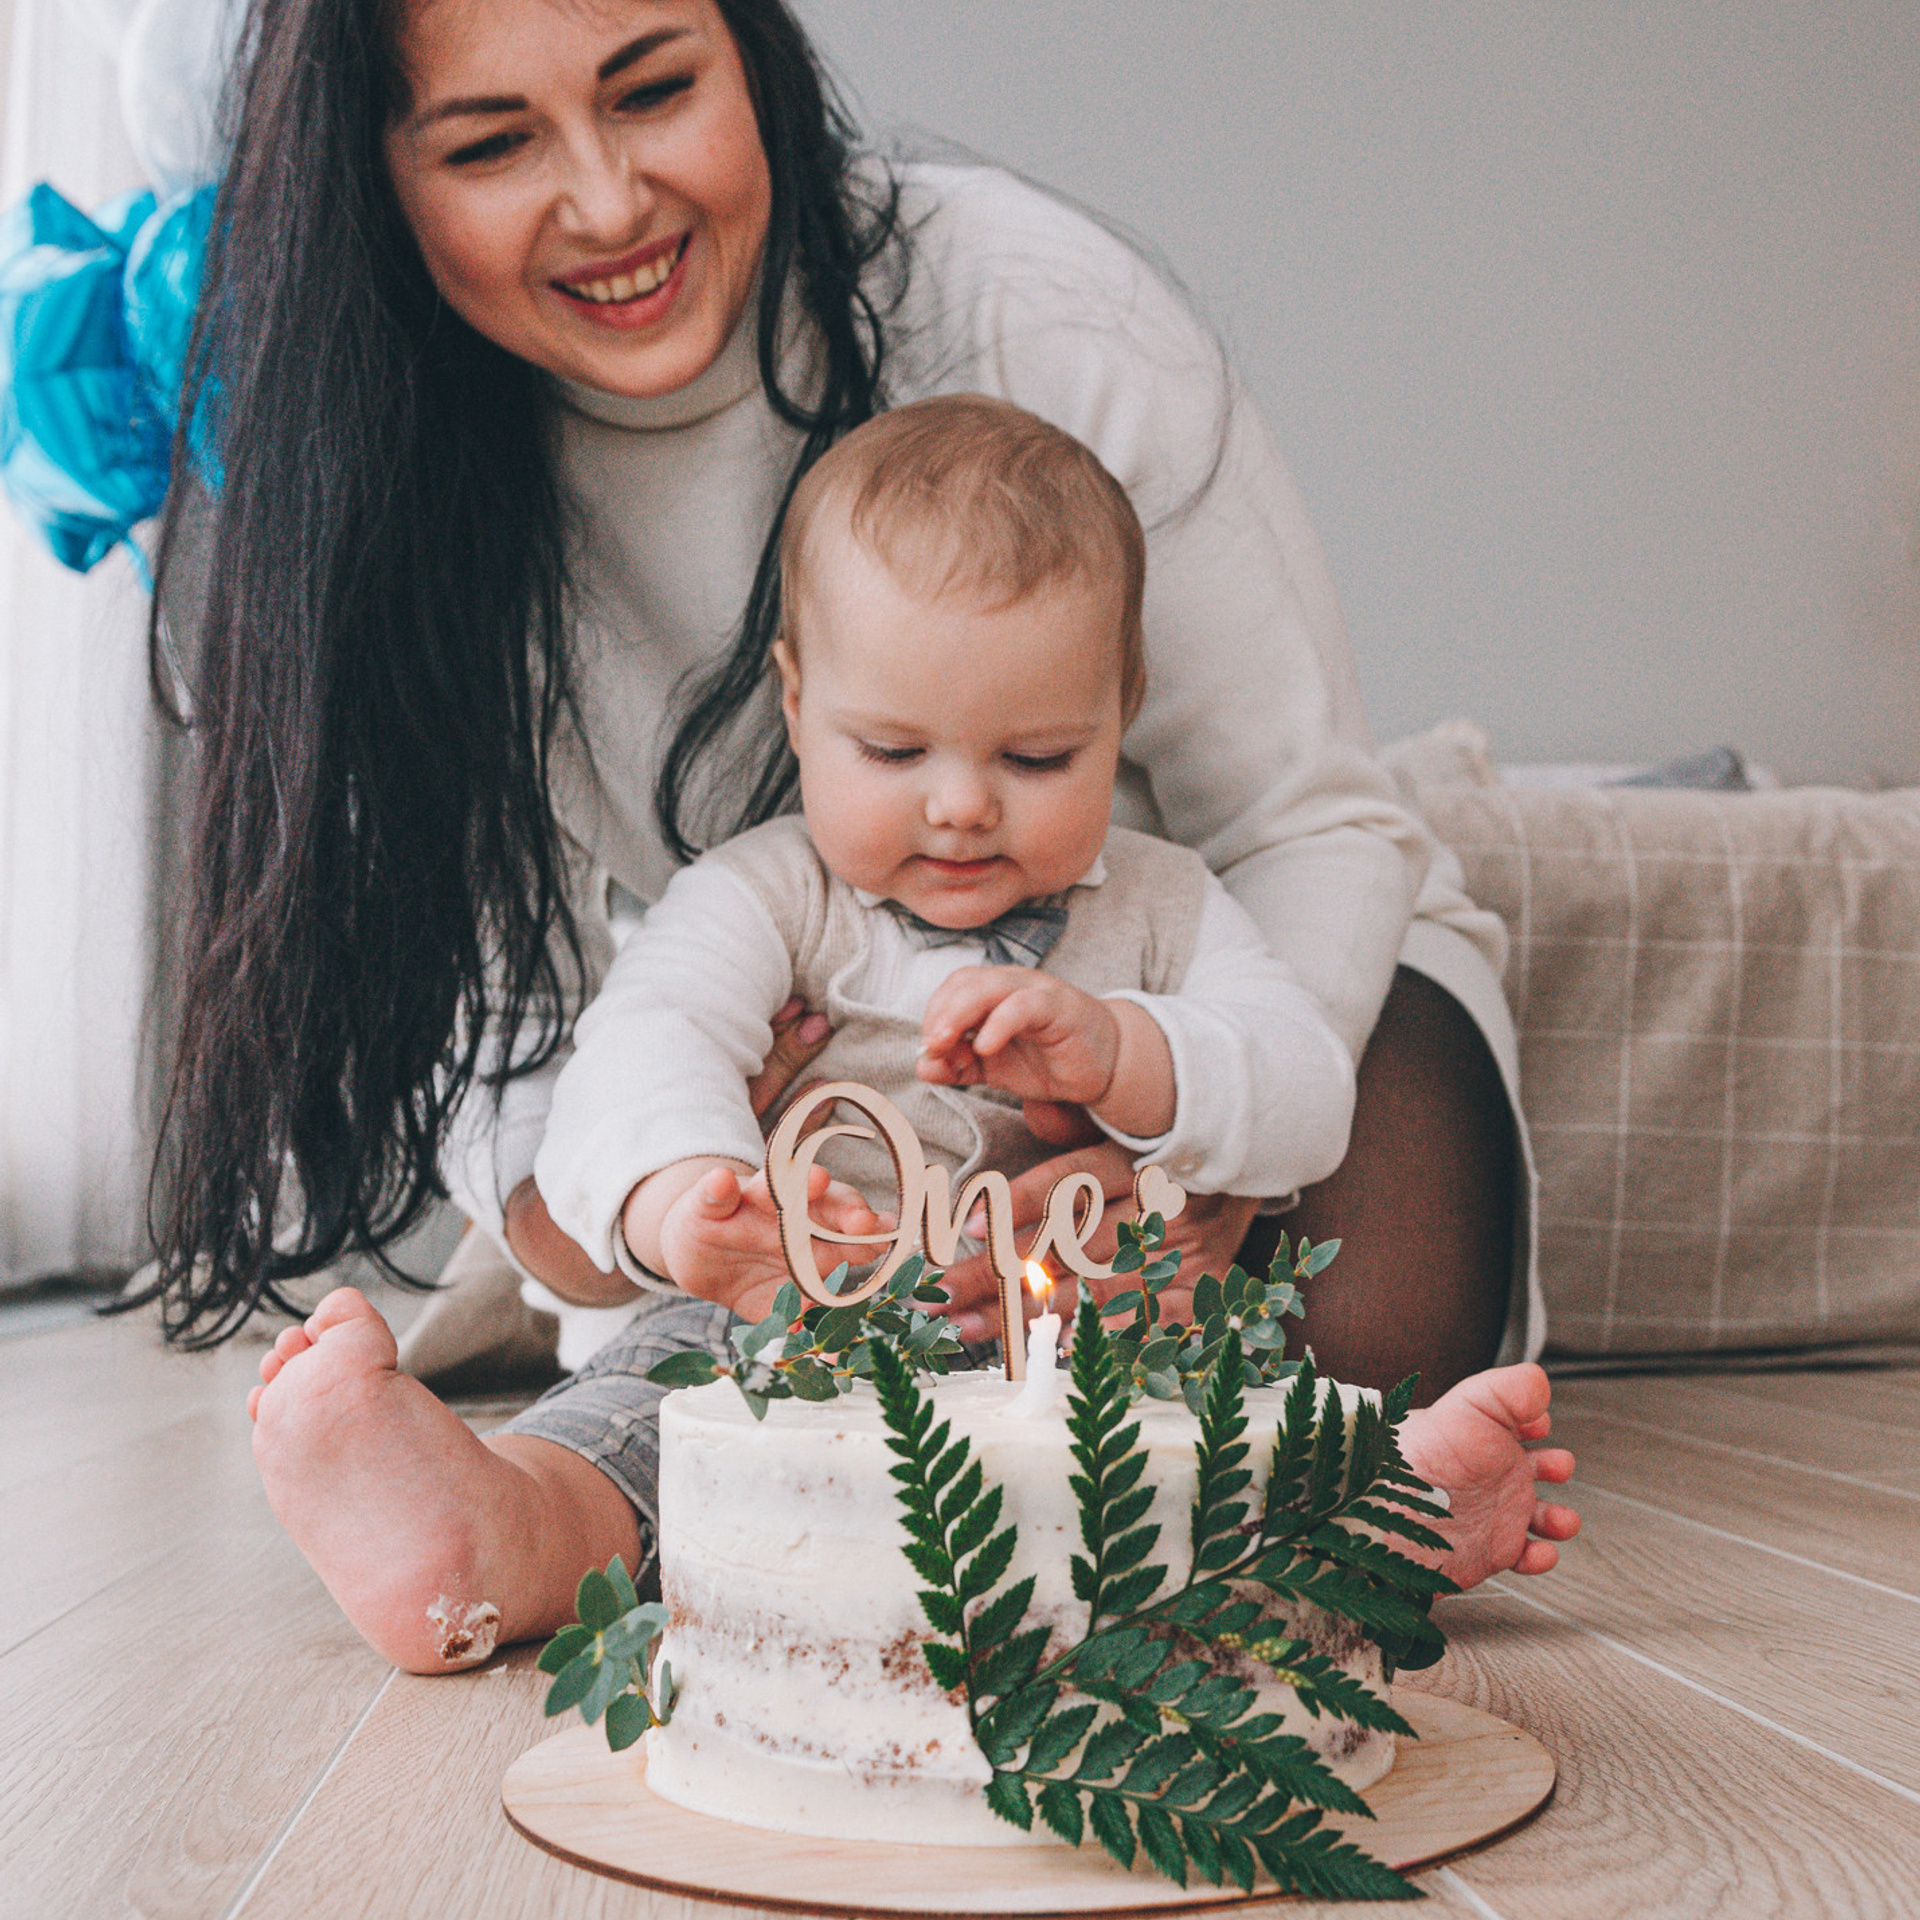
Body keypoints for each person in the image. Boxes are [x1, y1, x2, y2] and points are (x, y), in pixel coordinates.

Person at [248, 394, 1577, 1673]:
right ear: (795, 705)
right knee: (643, 1443)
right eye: (891, 751)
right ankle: (481, 1538)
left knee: (1214, 1427)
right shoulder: (767, 895)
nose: (960, 809)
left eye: (1040, 759)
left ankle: (1371, 1521)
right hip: (779, 1341)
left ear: (1123, 712)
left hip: (1080, 1350)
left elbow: (1298, 1094)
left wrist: (1127, 1052)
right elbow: (642, 1048)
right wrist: (677, 1207)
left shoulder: (1169, 907)